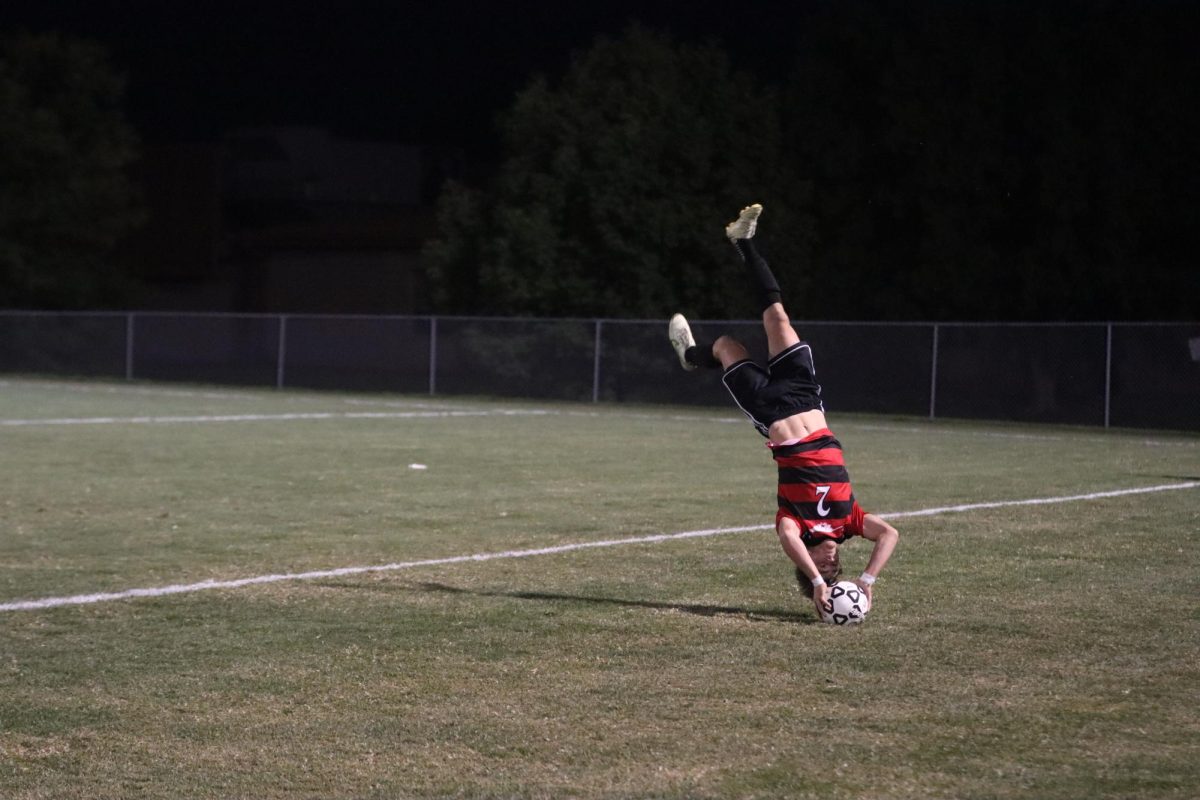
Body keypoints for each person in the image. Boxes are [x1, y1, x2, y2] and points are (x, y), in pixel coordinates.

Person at [668, 203, 898, 619]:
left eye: (821, 568)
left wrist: (813, 582)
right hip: (807, 397)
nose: (828, 566)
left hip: (770, 411)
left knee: (725, 346)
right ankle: (745, 242)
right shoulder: (849, 524)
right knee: (777, 316)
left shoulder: (796, 526)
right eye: (833, 571)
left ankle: (691, 356)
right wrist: (866, 581)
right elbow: (890, 535)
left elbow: (789, 541)